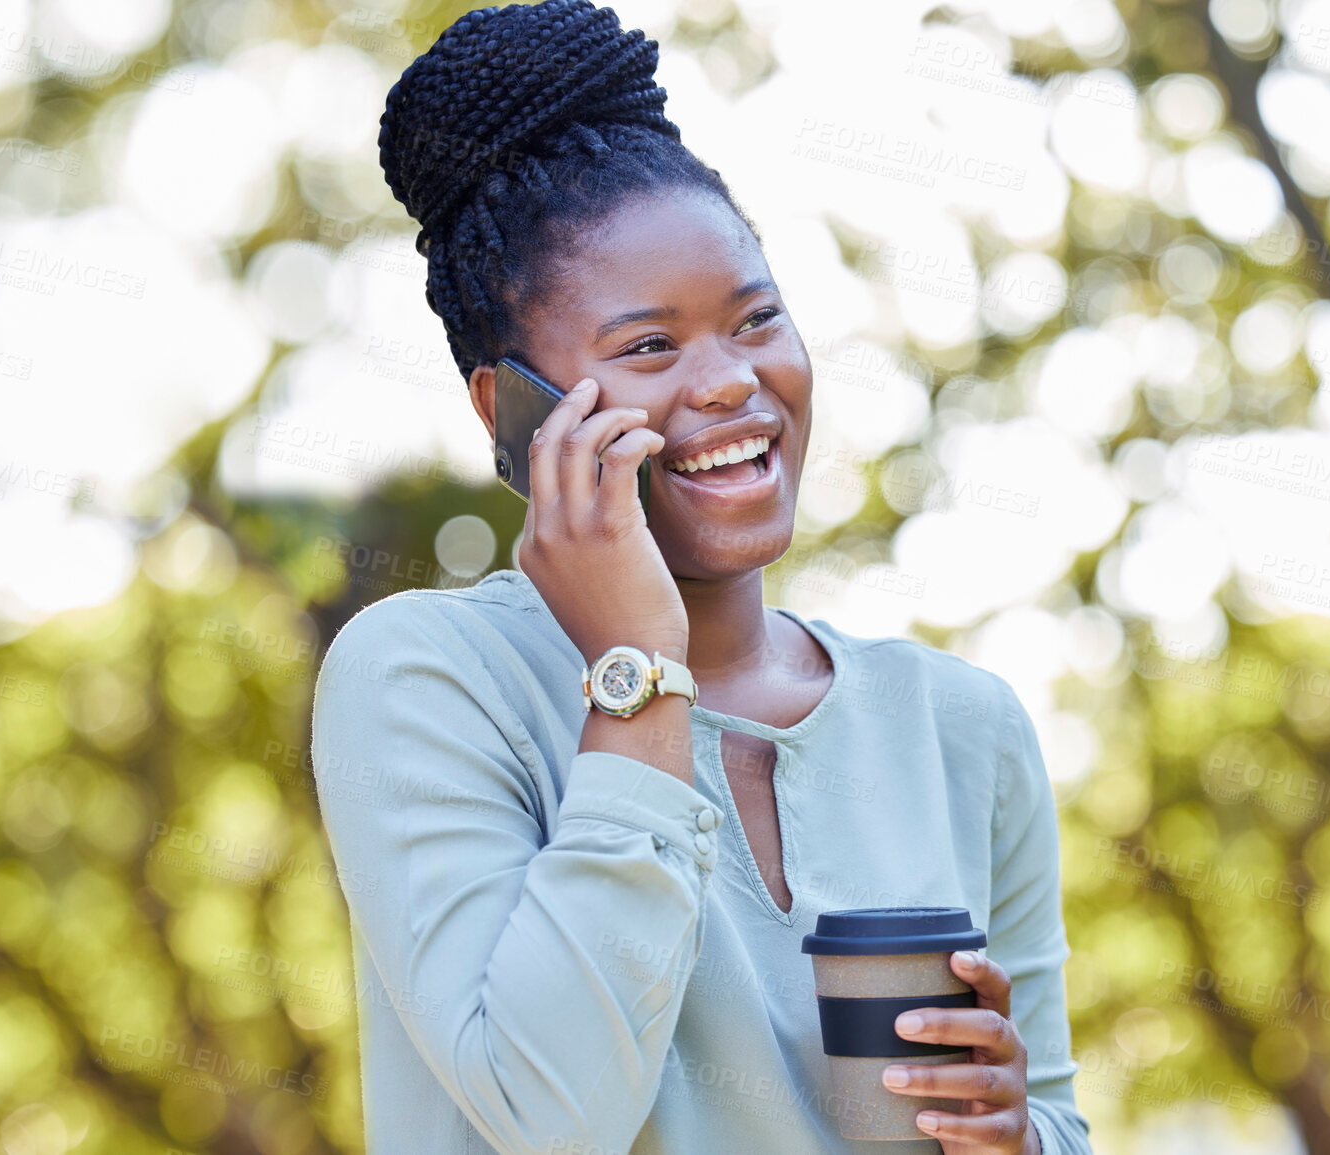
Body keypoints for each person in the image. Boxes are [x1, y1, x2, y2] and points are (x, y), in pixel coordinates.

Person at [309, 2, 1090, 1152]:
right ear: (511, 410)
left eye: (755, 319)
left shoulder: (959, 727)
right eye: (647, 348)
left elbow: (1061, 1121)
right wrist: (638, 670)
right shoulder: (424, 678)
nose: (729, 382)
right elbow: (553, 1115)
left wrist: (1015, 1134)